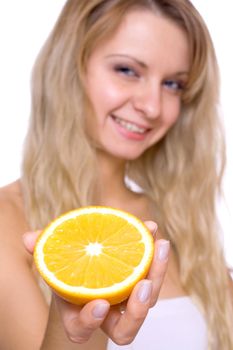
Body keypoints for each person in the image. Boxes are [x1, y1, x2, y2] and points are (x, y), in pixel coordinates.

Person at [0, 0, 232, 349]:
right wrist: (78, 324)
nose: (152, 106)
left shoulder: (182, 225)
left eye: (173, 84)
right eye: (127, 70)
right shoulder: (8, 221)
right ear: (71, 68)